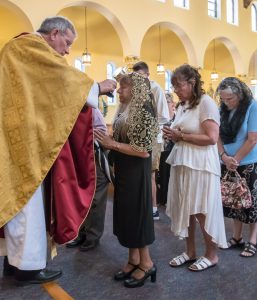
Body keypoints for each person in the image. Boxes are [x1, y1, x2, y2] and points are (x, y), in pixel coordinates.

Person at [0, 16, 116, 284]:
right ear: (54, 33)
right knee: (27, 205)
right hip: (24, 144)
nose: (66, 51)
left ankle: (13, 261)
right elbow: (63, 82)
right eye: (67, 42)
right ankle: (27, 268)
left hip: (19, 138)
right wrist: (97, 87)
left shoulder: (18, 49)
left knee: (18, 202)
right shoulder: (29, 47)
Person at [94, 72, 159, 288]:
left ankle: (147, 263)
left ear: (135, 89)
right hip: (124, 170)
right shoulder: (126, 110)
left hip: (137, 172)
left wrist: (111, 145)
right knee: (127, 217)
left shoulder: (144, 111)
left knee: (137, 216)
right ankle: (134, 260)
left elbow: (143, 152)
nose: (119, 91)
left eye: (123, 87)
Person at [163, 64, 227, 272]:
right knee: (186, 209)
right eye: (173, 86)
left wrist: (181, 136)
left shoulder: (206, 103)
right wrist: (172, 133)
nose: (175, 90)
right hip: (183, 161)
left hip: (201, 164)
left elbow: (211, 138)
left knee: (201, 210)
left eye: (178, 85)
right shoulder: (183, 104)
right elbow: (182, 130)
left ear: (191, 83)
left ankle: (211, 254)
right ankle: (190, 251)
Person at [216, 77, 257, 257]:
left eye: (230, 99)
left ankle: (253, 240)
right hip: (227, 162)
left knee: (251, 202)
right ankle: (237, 236)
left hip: (248, 162)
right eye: (223, 99)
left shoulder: (252, 107)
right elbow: (216, 135)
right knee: (234, 200)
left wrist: (235, 160)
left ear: (239, 95)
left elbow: (252, 139)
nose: (226, 102)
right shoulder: (222, 109)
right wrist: (224, 157)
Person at [66, 107, 111, 251]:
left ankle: (93, 237)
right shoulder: (70, 107)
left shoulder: (91, 110)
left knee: (96, 200)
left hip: (93, 156)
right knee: (80, 198)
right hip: (79, 158)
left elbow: (102, 132)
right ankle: (81, 234)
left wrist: (83, 137)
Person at [132, 61, 169, 220]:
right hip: (137, 136)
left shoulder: (156, 89)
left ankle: (153, 208)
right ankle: (141, 205)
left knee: (150, 174)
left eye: (140, 76)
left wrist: (146, 126)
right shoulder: (135, 90)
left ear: (147, 75)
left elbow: (164, 116)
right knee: (139, 172)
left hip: (153, 137)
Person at [157, 93, 176, 206]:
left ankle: (172, 199)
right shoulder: (160, 118)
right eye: (163, 102)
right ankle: (163, 199)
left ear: (172, 104)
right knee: (163, 176)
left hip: (175, 149)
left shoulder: (177, 117)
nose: (165, 104)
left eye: (167, 102)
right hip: (163, 150)